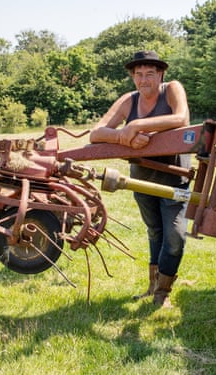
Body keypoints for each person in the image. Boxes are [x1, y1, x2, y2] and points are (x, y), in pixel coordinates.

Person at [90, 50, 191, 307]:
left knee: (175, 236)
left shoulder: (172, 89)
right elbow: (97, 133)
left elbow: (182, 118)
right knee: (155, 231)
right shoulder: (129, 100)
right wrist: (126, 136)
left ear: (160, 74)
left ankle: (163, 293)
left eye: (149, 73)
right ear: (133, 78)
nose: (143, 79)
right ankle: (154, 288)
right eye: (138, 74)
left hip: (174, 177)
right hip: (142, 179)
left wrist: (136, 126)